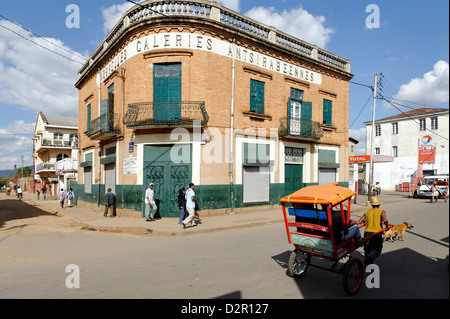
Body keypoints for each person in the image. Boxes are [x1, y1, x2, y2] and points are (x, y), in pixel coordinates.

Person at [357, 196, 389, 268]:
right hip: (376, 233)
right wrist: (387, 227)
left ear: (371, 205)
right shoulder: (381, 211)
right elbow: (385, 220)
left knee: (367, 248)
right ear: (379, 204)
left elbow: (359, 221)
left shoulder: (367, 212)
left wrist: (366, 221)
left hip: (367, 233)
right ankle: (370, 258)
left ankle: (367, 263)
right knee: (377, 249)